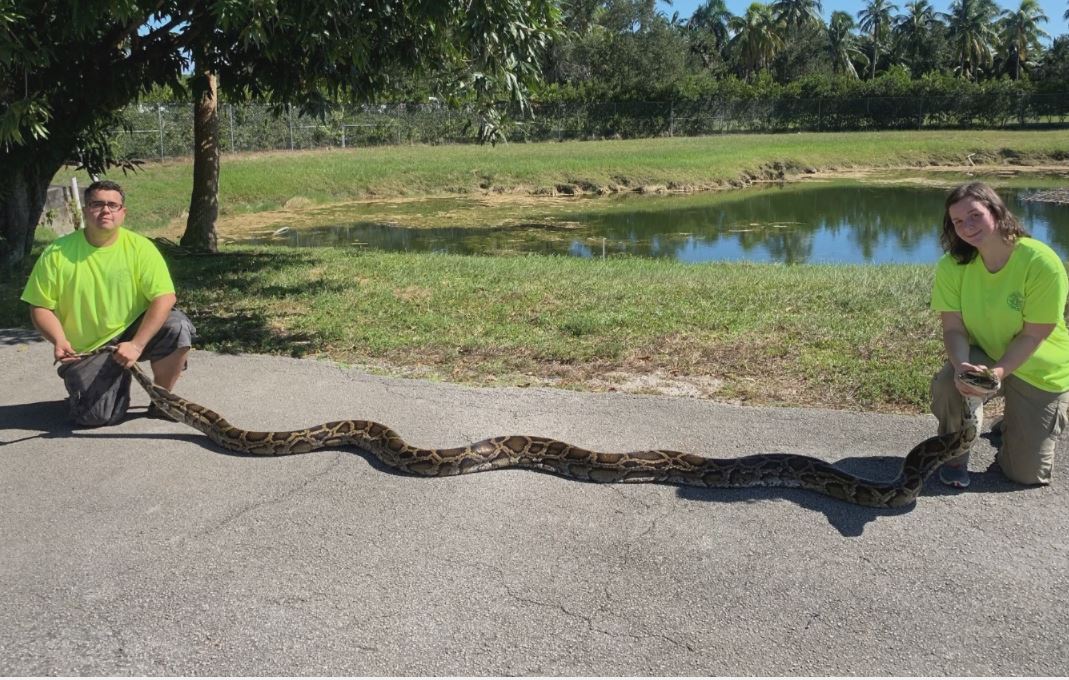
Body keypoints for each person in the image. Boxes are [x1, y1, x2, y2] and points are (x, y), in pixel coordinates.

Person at [20, 179, 196, 426]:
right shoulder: (57, 252)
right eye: (97, 204)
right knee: (97, 417)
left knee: (177, 326)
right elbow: (40, 306)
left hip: (132, 334)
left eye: (113, 205)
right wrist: (58, 339)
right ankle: (99, 385)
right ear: (85, 210)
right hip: (89, 349)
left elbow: (165, 297)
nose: (105, 210)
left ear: (123, 213)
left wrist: (136, 345)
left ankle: (163, 401)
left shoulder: (140, 248)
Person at [930, 182, 1069, 489]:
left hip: (1039, 367)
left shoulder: (1040, 262)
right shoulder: (953, 266)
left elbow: (1034, 335)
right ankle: (953, 456)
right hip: (985, 355)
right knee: (948, 384)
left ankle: (1010, 427)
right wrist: (962, 367)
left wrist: (997, 374)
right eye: (958, 221)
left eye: (974, 215)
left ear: (996, 210)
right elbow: (953, 328)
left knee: (1026, 475)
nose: (967, 226)